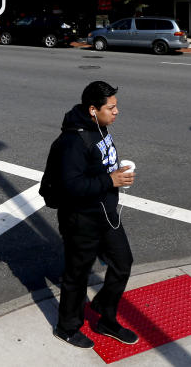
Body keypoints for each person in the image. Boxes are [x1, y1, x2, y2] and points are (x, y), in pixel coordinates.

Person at [50, 80, 138, 349]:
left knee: (123, 263)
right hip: (81, 218)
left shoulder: (101, 128)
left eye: (116, 106)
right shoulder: (72, 142)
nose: (116, 111)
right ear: (92, 109)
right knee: (77, 275)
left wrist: (116, 174)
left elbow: (100, 166)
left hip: (105, 213)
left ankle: (105, 317)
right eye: (111, 107)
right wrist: (110, 181)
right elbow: (71, 185)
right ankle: (66, 328)